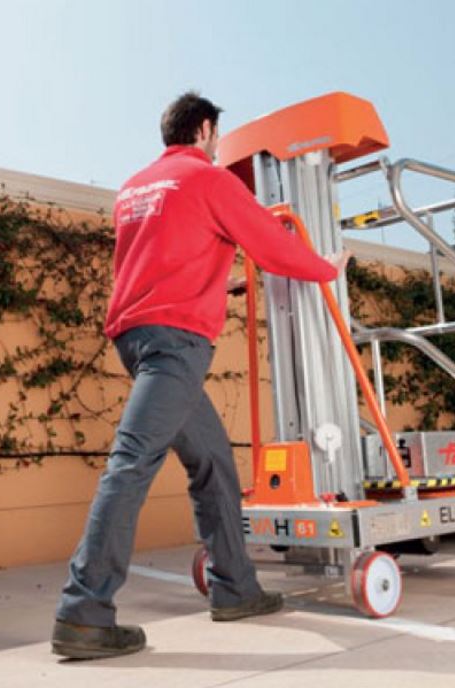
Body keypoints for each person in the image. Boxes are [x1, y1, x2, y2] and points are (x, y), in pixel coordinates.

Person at [52, 91, 351, 660]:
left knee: (213, 463)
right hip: (176, 347)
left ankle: (236, 588)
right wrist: (324, 268)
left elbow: (157, 263)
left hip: (137, 338)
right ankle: (84, 610)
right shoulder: (208, 180)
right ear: (206, 130)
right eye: (217, 137)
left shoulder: (135, 188)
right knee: (130, 465)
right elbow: (269, 245)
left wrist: (219, 287)